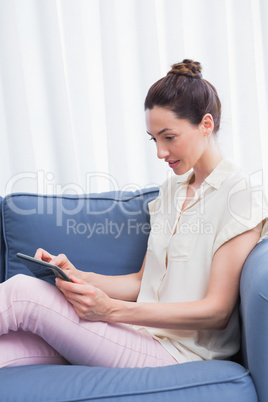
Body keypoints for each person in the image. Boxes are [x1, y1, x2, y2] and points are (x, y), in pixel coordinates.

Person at [1, 59, 267, 368]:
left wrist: (111, 310)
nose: (160, 152)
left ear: (205, 125)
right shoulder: (172, 191)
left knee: (22, 293)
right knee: (11, 348)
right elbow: (143, 282)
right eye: (154, 139)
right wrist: (77, 276)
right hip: (134, 334)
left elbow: (216, 311)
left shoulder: (240, 195)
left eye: (169, 137)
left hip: (176, 353)